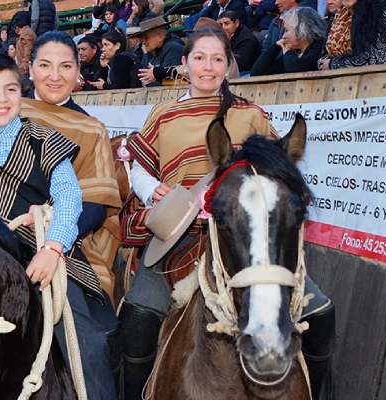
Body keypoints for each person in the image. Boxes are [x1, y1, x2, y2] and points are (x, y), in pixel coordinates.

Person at [120, 28, 334, 400]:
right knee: (139, 314)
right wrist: (150, 187)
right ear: (184, 64)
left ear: (228, 65)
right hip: (181, 237)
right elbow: (138, 164)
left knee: (321, 313)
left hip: (246, 237)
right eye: (199, 58)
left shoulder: (250, 114)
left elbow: (277, 172)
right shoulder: (164, 114)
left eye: (218, 59)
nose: (208, 67)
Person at [0, 51, 118, 400]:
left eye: (10, 89)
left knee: (91, 343)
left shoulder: (44, 140)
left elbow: (69, 198)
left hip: (41, 253)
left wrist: (53, 249)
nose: (1, 99)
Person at [27, 32, 123, 388]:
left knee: (93, 344)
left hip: (68, 248)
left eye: (65, 66)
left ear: (78, 72)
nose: (55, 75)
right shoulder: (6, 114)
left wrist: (50, 237)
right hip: (1, 237)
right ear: (30, 68)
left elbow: (96, 207)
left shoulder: (91, 128)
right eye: (45, 65)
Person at [318, 0, 386, 69]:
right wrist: (326, 63)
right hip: (353, 87)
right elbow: (323, 56)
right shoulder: (340, 15)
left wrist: (333, 64)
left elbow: (379, 58)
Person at [251, 7, 326, 75]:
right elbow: (256, 72)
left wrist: (287, 52)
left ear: (303, 29)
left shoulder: (320, 48)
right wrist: (276, 46)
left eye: (287, 30)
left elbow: (295, 72)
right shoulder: (295, 52)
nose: (284, 36)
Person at [135, 17, 184, 87]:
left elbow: (171, 82)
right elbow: (143, 79)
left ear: (160, 36)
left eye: (146, 38)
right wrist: (146, 55)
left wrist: (156, 76)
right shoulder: (153, 50)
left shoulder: (173, 48)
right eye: (142, 39)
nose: (144, 42)